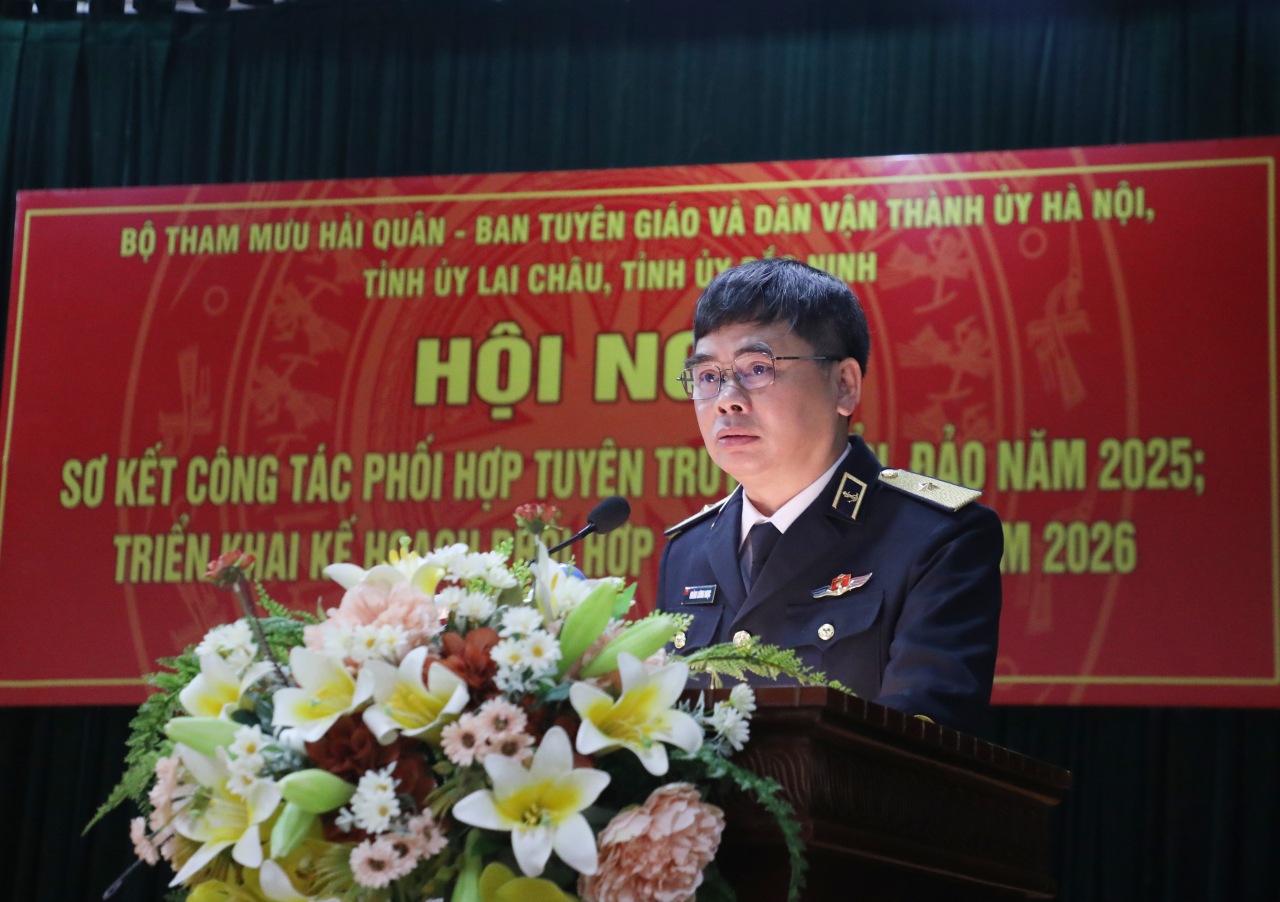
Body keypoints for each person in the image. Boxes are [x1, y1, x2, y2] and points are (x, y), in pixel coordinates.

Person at [655, 258, 1003, 735]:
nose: (725, 399)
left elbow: (920, 744)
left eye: (757, 369)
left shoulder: (936, 538)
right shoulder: (687, 552)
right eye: (708, 375)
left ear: (844, 386)